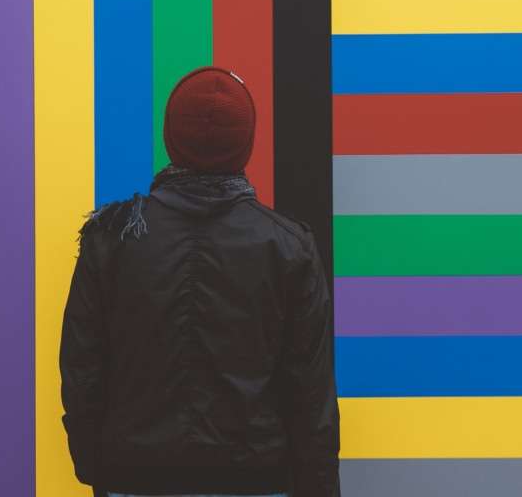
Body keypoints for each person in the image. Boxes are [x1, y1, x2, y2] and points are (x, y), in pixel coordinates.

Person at [60, 67, 340, 497]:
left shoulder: (112, 238)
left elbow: (82, 369)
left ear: (170, 138)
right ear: (246, 144)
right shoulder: (288, 246)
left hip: (133, 476)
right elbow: (310, 393)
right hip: (255, 480)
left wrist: (97, 468)